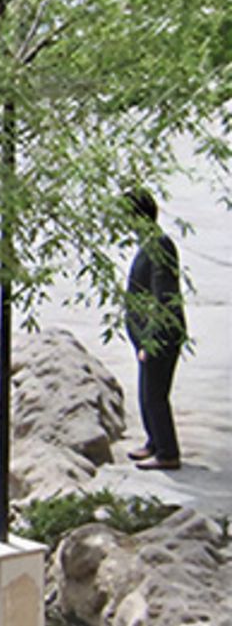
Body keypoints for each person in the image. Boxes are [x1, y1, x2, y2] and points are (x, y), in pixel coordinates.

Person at [122, 189, 187, 471]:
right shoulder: (148, 243)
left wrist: (151, 340)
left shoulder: (159, 245)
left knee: (154, 396)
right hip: (148, 338)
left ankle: (168, 452)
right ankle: (153, 442)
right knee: (145, 393)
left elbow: (164, 296)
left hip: (160, 337)